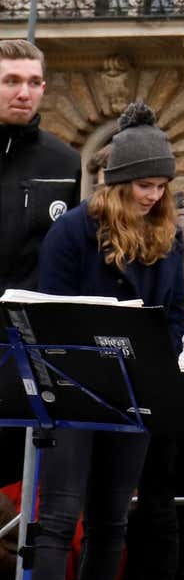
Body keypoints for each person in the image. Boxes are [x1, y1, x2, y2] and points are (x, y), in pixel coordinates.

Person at [24, 102, 184, 580]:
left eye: (162, 186)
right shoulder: (73, 232)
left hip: (131, 394)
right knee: (59, 515)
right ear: (118, 184)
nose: (153, 196)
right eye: (145, 185)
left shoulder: (166, 238)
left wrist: (152, 372)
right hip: (73, 390)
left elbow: (173, 314)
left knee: (113, 519)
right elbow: (51, 309)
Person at [86, 145, 184, 580]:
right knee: (94, 505)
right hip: (103, 380)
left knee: (158, 504)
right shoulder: (89, 227)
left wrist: (174, 366)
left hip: (161, 379)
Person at [1, 39, 81, 493]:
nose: (24, 92)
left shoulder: (65, 161)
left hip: (25, 347)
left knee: (16, 486)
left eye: (33, 82)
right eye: (11, 81)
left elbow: (67, 256)